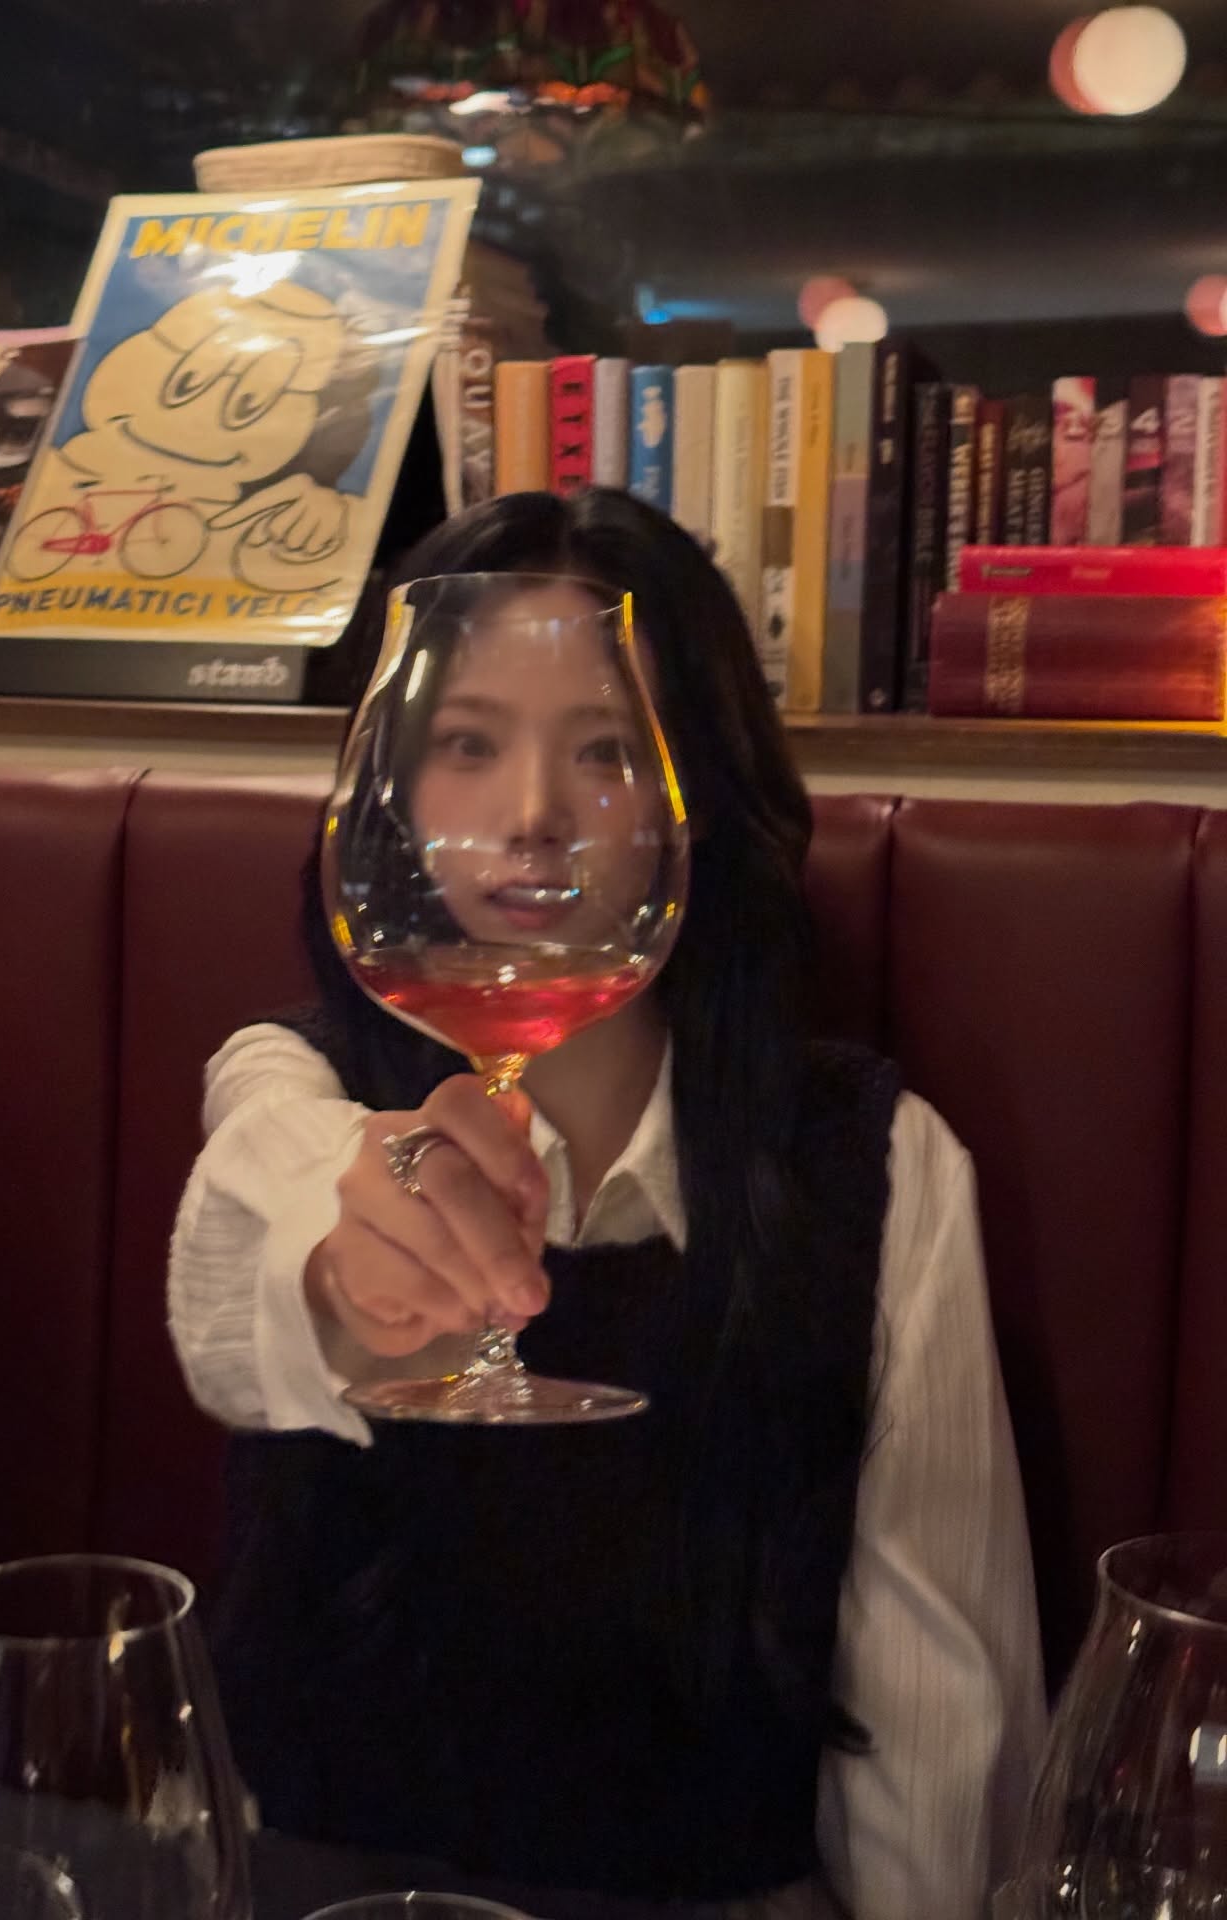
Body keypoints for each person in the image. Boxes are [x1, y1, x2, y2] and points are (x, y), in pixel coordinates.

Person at [168, 488, 1046, 1920]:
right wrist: (343, 1265)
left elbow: (944, 1735)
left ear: (694, 795)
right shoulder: (300, 1080)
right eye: (466, 746)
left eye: (604, 753)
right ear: (391, 789)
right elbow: (254, 1218)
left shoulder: (882, 1167)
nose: (530, 818)